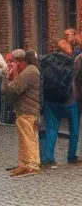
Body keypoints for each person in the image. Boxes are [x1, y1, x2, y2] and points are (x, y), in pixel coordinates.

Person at [40, 39, 79, 167]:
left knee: (51, 129)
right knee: (74, 130)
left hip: (50, 100)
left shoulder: (46, 61)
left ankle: (48, 158)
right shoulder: (72, 62)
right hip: (69, 100)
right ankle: (71, 157)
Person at [3, 48, 41, 176]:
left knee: (28, 138)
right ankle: (23, 164)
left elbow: (14, 89)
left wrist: (11, 75)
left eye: (13, 61)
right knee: (24, 139)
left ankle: (32, 165)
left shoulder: (30, 71)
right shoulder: (30, 71)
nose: (12, 64)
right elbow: (8, 92)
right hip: (27, 111)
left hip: (27, 111)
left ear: (20, 61)